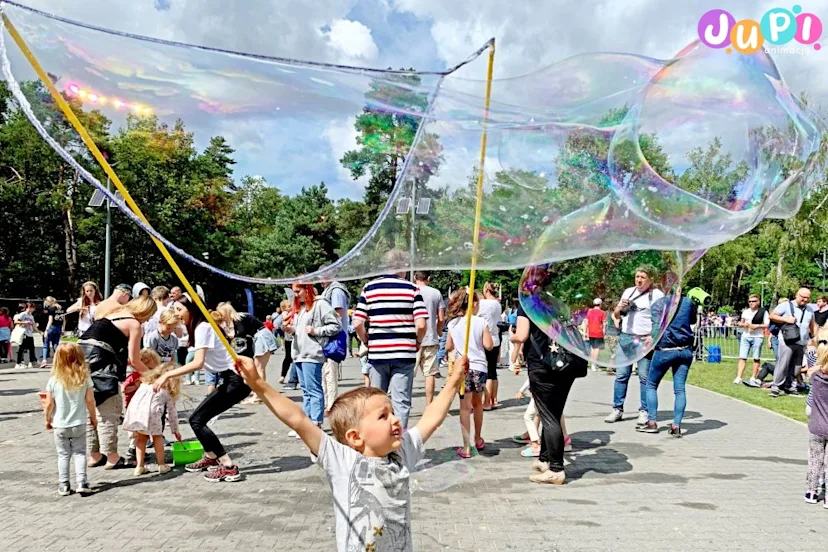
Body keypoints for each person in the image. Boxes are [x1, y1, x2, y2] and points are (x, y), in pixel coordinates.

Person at [236, 352, 468, 552]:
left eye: (392, 412)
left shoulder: (401, 454)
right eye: (383, 416)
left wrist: (453, 381)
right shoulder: (342, 460)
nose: (395, 420)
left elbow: (430, 419)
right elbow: (298, 420)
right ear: (355, 437)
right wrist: (258, 384)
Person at [152, 293, 247, 482]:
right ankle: (211, 457)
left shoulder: (203, 327)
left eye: (179, 309)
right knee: (198, 419)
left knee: (197, 420)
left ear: (192, 309)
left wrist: (168, 374)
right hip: (231, 379)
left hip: (236, 380)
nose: (177, 314)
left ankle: (228, 466)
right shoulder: (201, 326)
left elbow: (198, 363)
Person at [511, 265, 587, 485]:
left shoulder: (527, 303)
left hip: (542, 365)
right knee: (553, 412)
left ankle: (556, 469)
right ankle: (545, 459)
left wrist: (512, 335)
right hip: (565, 365)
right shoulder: (557, 303)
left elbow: (522, 335)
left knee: (549, 416)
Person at [353, 250, 428, 428]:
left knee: (377, 402)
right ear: (403, 267)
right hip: (404, 353)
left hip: (378, 353)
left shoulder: (369, 288)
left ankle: (378, 438)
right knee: (401, 402)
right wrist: (417, 342)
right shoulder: (412, 289)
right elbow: (421, 325)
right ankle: (398, 440)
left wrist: (366, 340)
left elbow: (357, 323)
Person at [80, 296, 156, 469]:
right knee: (108, 411)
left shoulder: (113, 314)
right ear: (144, 311)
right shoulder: (134, 324)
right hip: (100, 365)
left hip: (80, 360)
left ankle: (94, 455)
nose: (147, 320)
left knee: (91, 411)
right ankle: (112, 457)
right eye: (149, 316)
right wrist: (153, 376)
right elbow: (135, 360)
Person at [605, 264, 664, 425]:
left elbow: (661, 319)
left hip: (644, 340)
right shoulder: (628, 292)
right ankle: (617, 409)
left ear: (651, 279)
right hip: (626, 339)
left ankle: (644, 411)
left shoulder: (657, 295)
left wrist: (653, 337)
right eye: (637, 276)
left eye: (643, 277)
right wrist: (619, 308)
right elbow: (616, 315)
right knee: (621, 375)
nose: (639, 280)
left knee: (644, 378)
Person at [639, 294, 697, 436]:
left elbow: (655, 327)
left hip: (665, 350)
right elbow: (693, 320)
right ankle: (676, 426)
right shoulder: (688, 302)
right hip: (685, 350)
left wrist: (650, 339)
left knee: (651, 385)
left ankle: (652, 422)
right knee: (680, 389)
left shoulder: (659, 303)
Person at [445, 288, 493, 458]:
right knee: (477, 404)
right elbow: (489, 345)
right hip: (479, 367)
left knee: (464, 407)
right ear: (474, 304)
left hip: (463, 367)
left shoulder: (453, 324)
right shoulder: (480, 322)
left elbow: (448, 347)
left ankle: (466, 446)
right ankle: (478, 438)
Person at [286, 283, 341, 427]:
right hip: (298, 353)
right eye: (294, 292)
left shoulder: (320, 304)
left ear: (307, 289)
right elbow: (300, 330)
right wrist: (291, 329)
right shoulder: (301, 307)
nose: (295, 295)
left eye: (298, 291)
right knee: (306, 391)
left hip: (312, 353)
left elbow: (336, 325)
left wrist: (316, 331)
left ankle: (316, 423)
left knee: (314, 389)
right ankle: (307, 423)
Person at [45, 343, 96, 496]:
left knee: (63, 454)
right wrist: (93, 417)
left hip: (60, 423)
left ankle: (64, 484)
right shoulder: (84, 378)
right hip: (79, 422)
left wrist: (47, 419)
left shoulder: (54, 380)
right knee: (80, 453)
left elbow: (49, 404)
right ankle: (82, 482)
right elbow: (90, 401)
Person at [123, 362, 182, 476]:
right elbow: (172, 413)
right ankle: (162, 465)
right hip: (151, 415)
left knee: (141, 439)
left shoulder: (144, 384)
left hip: (135, 413)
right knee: (157, 437)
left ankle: (139, 467)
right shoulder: (166, 391)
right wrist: (175, 431)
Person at [216, 302, 277, 405]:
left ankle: (258, 396)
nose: (221, 317)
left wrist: (229, 335)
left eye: (222, 314)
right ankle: (258, 393)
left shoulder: (239, 319)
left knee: (259, 368)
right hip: (261, 337)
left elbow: (241, 334)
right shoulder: (240, 318)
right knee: (258, 368)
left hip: (261, 337)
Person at [770, 288, 817, 397]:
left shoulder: (809, 309)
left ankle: (790, 386)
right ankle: (776, 386)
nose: (805, 300)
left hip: (802, 341)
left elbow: (812, 324)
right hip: (787, 340)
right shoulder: (786, 305)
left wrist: (814, 336)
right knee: (783, 364)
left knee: (797, 366)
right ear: (797, 295)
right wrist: (786, 319)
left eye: (807, 298)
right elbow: (772, 316)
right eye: (803, 297)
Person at [319, 267, 351, 416]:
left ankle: (331, 405)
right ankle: (327, 403)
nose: (320, 280)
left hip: (334, 337)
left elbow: (338, 314)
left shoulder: (336, 291)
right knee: (325, 373)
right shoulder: (329, 290)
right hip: (327, 336)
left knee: (330, 374)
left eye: (321, 277)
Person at [124, 349, 161, 467]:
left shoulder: (150, 377)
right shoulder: (134, 376)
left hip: (145, 407)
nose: (150, 371)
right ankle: (132, 452)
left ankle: (138, 452)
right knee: (136, 433)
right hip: (133, 407)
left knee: (141, 432)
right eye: (149, 368)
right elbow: (124, 389)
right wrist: (136, 387)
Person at [413, 271, 445, 406]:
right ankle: (429, 405)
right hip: (430, 337)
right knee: (430, 373)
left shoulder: (410, 290)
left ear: (415, 277)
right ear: (429, 278)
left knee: (407, 373)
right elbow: (441, 318)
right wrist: (438, 330)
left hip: (412, 337)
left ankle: (404, 404)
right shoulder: (436, 293)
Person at [804, 338, 828, 504]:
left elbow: (810, 350)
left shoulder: (815, 378)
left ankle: (811, 492)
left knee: (815, 459)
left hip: (817, 425)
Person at [734, 294, 769, 386]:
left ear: (758, 302)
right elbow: (740, 323)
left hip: (758, 337)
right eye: (750, 301)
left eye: (753, 301)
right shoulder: (745, 312)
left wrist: (757, 326)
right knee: (742, 357)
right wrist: (743, 324)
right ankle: (739, 377)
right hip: (746, 336)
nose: (751, 303)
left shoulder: (763, 312)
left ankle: (753, 377)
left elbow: (767, 324)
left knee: (756, 358)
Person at [478, 282, 503, 410]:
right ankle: (494, 399)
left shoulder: (483, 303)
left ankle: (486, 401)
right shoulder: (498, 304)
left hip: (485, 338)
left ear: (487, 290)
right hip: (496, 338)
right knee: (493, 372)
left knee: (486, 372)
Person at [40, 297, 65, 367]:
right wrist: (63, 329)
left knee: (46, 344)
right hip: (59, 327)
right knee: (56, 344)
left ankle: (44, 360)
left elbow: (50, 320)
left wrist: (46, 330)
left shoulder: (51, 309)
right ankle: (59, 360)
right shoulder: (61, 308)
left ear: (49, 302)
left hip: (52, 327)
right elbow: (64, 320)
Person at [13, 302, 37, 369]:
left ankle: (31, 362)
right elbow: (16, 322)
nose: (34, 309)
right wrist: (24, 322)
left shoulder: (31, 316)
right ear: (29, 307)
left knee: (32, 348)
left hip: (30, 333)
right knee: (21, 348)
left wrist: (39, 332)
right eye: (33, 308)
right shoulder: (23, 314)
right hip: (23, 333)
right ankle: (18, 363)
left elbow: (34, 325)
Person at [584, 298, 606, 371]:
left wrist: (585, 332)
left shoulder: (589, 312)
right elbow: (604, 324)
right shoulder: (602, 312)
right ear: (600, 304)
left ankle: (592, 364)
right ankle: (594, 364)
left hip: (591, 332)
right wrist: (604, 332)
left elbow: (586, 323)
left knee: (592, 348)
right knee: (597, 348)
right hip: (598, 332)